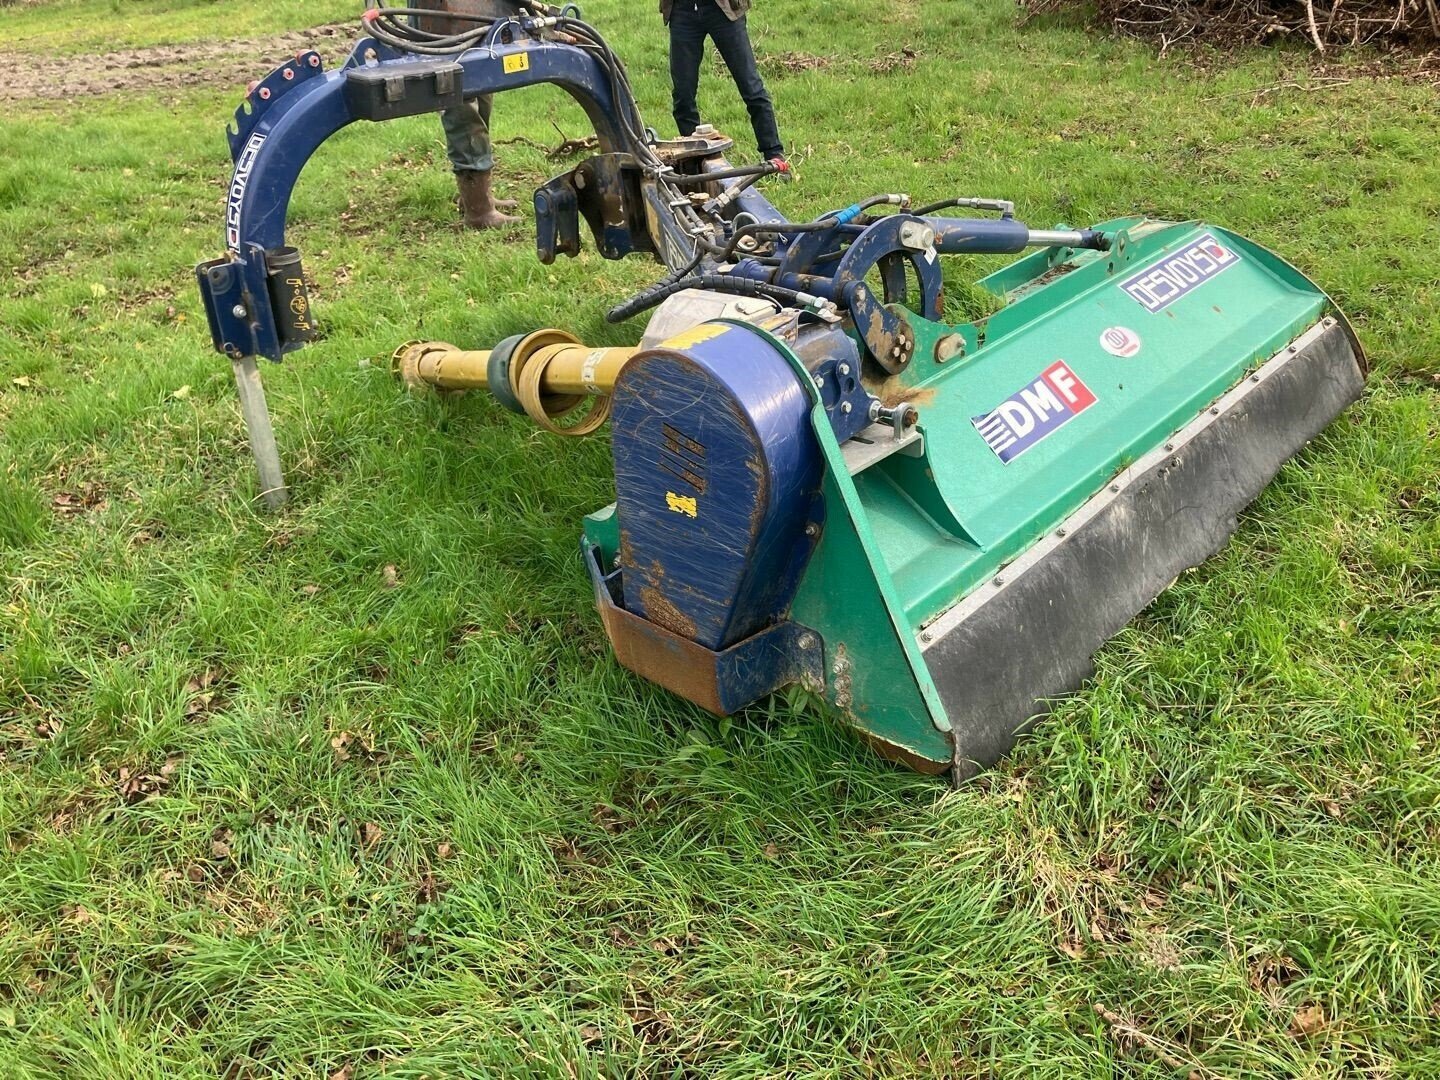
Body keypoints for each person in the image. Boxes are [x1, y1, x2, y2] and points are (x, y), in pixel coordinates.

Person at [414, 0, 522, 229]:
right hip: (446, 20)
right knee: (462, 106)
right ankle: (479, 212)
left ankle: (477, 197)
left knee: (481, 87)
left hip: (470, 16)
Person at [661, 0, 785, 168]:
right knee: (683, 96)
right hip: (682, 11)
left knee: (752, 88)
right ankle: (695, 162)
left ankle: (774, 156)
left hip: (723, 9)